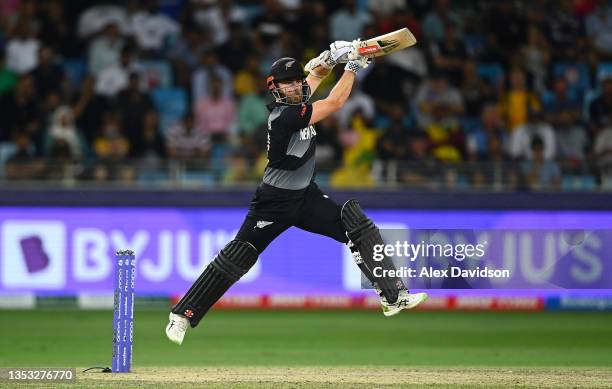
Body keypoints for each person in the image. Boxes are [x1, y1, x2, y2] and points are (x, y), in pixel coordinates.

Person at [165, 42, 427, 345]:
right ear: (274, 88)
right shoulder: (283, 116)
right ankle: (182, 314)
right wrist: (352, 66)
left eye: (295, 81)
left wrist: (328, 59)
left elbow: (312, 80)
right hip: (273, 202)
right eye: (286, 83)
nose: (293, 87)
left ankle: (393, 296)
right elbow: (334, 103)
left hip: (306, 197)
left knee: (356, 224)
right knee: (238, 256)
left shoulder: (298, 102)